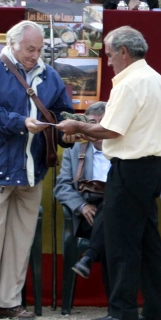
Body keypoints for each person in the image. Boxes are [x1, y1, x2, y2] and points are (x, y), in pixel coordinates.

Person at [57, 26, 161, 320]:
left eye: (109, 55)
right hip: (150, 168)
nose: (108, 61)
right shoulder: (156, 78)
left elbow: (111, 129)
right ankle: (158, 310)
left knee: (121, 241)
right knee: (148, 242)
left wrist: (76, 127)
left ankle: (122, 311)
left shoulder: (130, 82)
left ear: (124, 52)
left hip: (130, 167)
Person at [0, 20, 74, 320]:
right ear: (12, 44)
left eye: (39, 49)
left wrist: (70, 128)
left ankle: (10, 302)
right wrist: (21, 122)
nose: (35, 54)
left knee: (21, 239)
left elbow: (62, 110)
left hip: (32, 169)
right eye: (30, 48)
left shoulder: (50, 75)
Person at [53, 101, 110, 289]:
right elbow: (61, 186)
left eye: (103, 122)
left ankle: (89, 256)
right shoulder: (76, 149)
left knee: (110, 208)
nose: (96, 127)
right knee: (111, 227)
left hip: (117, 211)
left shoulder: (123, 150)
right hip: (88, 216)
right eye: (92, 122)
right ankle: (117, 306)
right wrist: (81, 206)